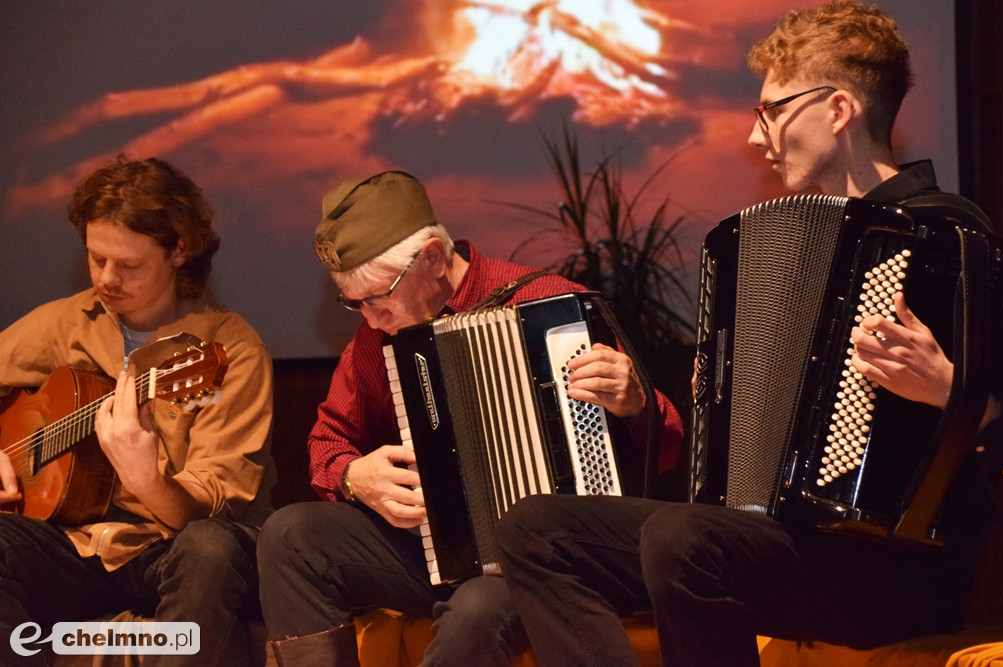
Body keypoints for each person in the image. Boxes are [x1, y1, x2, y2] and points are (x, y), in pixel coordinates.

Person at [493, 0, 1003, 667]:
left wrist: (954, 392)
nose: (755, 138)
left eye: (770, 111)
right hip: (767, 544)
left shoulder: (948, 241)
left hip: (891, 569)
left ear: (836, 110)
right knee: (537, 529)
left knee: (684, 540)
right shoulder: (767, 245)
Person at [256, 170, 685, 665]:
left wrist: (632, 404)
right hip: (438, 552)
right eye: (354, 304)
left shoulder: (548, 304)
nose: (369, 318)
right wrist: (355, 477)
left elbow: (667, 447)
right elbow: (327, 444)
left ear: (433, 259)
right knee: (290, 537)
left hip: (550, 565)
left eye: (378, 298)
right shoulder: (375, 342)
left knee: (477, 607)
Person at [0, 156, 275, 666]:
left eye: (128, 265)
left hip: (169, 551)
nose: (107, 278)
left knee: (210, 548)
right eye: (95, 258)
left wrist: (146, 479)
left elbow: (211, 505)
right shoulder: (66, 322)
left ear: (179, 250)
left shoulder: (225, 349)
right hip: (80, 549)